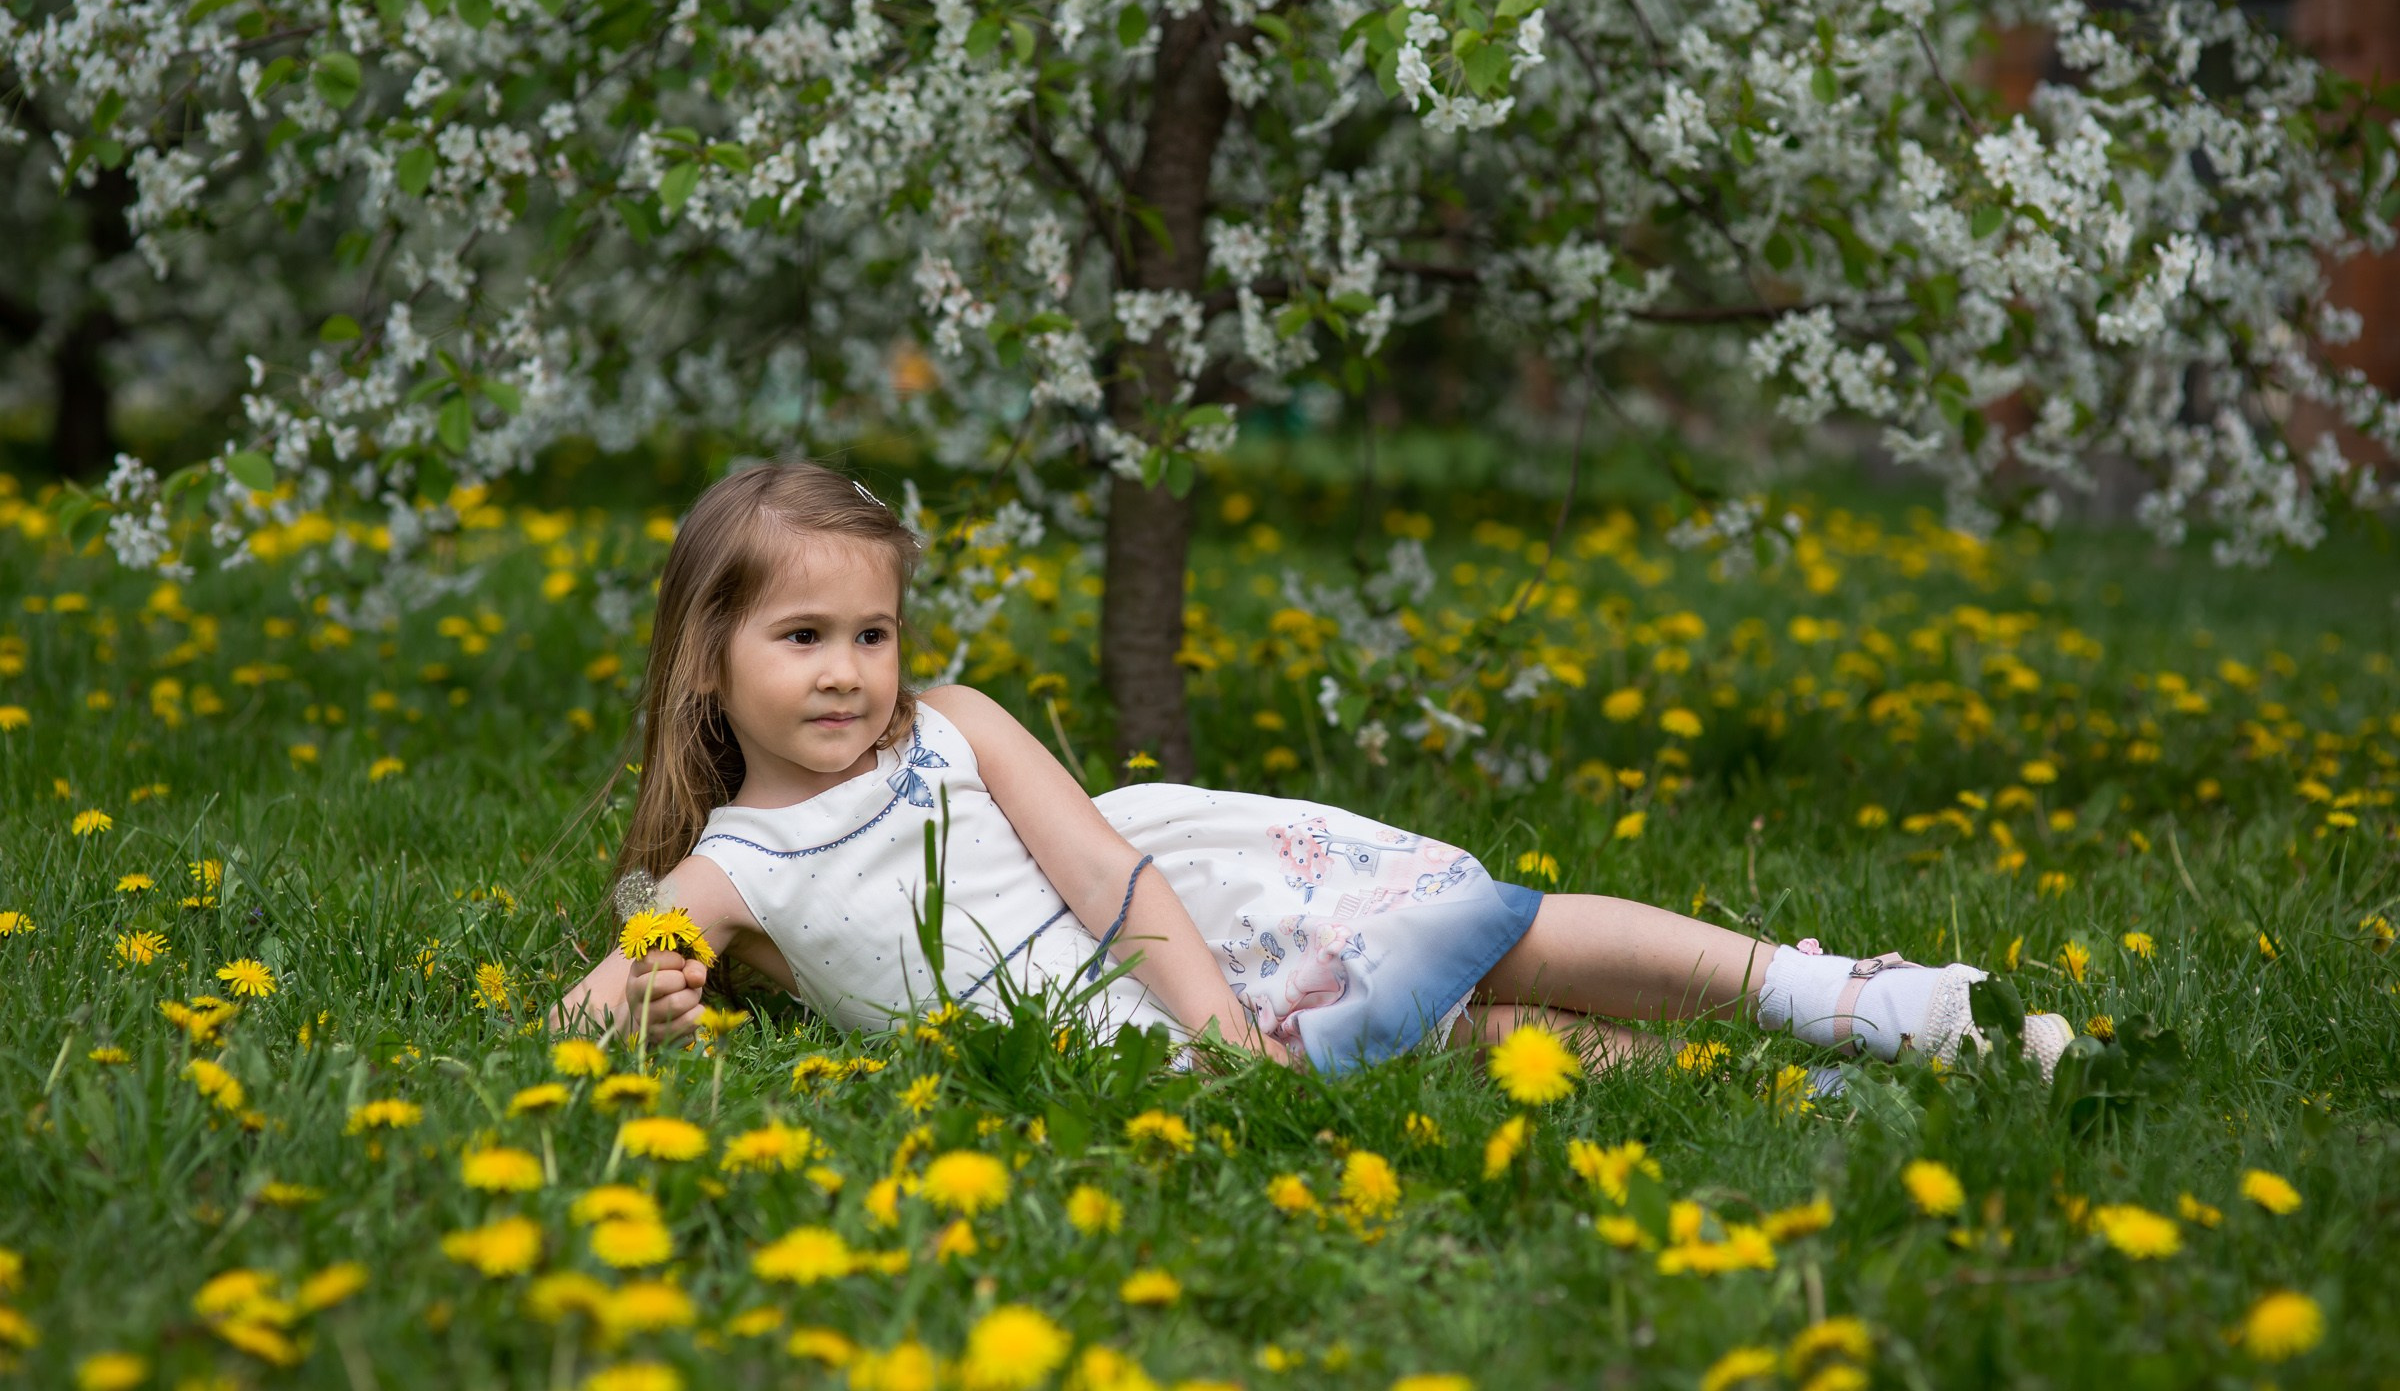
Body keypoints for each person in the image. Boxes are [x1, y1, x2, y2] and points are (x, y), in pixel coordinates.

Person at [554, 461, 2074, 1082]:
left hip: (1188, 924)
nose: (846, 669)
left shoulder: (955, 721)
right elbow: (605, 995)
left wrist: (1213, 1021)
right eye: (802, 635)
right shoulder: (735, 867)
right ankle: (1794, 1085)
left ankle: (1847, 1001)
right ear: (708, 662)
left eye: (869, 630)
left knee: (1497, 933)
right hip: (1102, 1040)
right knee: (1471, 1040)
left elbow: (1100, 868)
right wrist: (658, 1000)